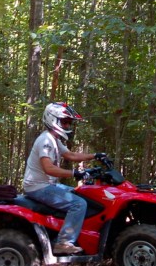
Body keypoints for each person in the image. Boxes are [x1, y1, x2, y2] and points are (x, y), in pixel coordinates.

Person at [24, 102, 105, 255]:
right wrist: (74, 173)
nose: (67, 125)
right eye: (65, 121)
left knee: (80, 193)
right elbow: (49, 168)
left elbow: (70, 155)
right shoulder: (45, 140)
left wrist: (95, 156)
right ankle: (64, 242)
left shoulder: (54, 139)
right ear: (52, 119)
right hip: (38, 187)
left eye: (69, 122)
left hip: (47, 184)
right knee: (78, 204)